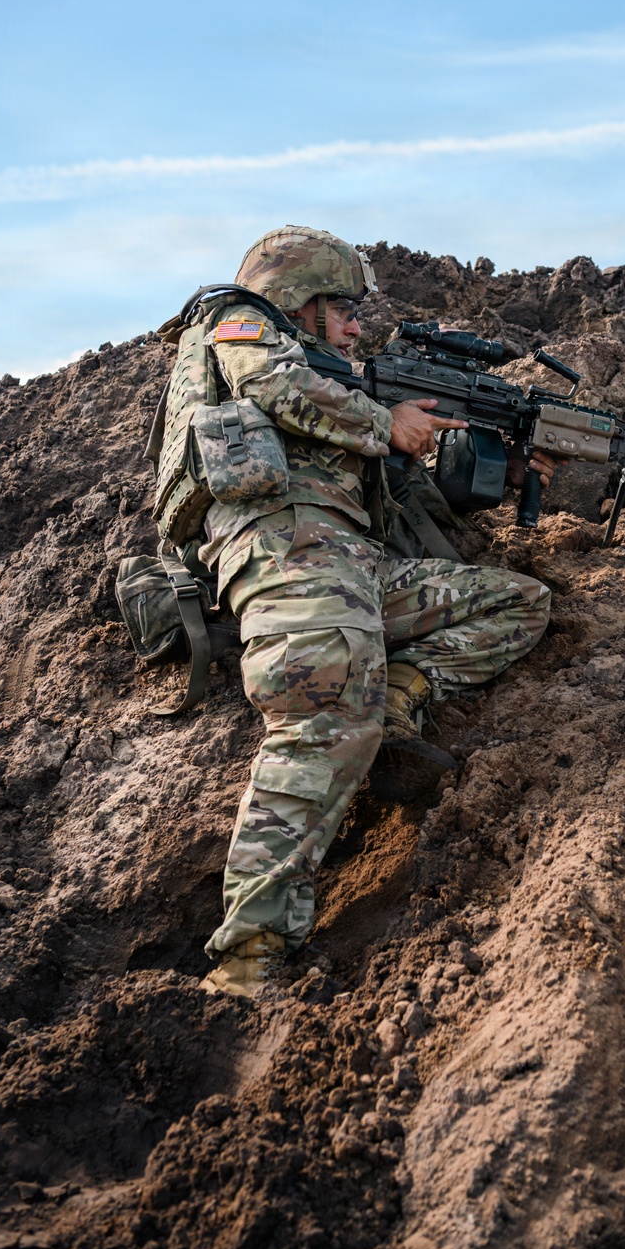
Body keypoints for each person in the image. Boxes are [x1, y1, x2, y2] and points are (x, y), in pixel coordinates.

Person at [197, 225, 556, 998]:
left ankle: (399, 698)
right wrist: (382, 423)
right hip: (291, 556)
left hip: (358, 566)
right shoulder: (243, 326)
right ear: (302, 301)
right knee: (323, 722)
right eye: (345, 309)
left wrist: (498, 463)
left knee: (518, 602)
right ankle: (246, 959)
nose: (359, 326)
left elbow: (412, 500)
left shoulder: (335, 386)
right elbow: (275, 388)